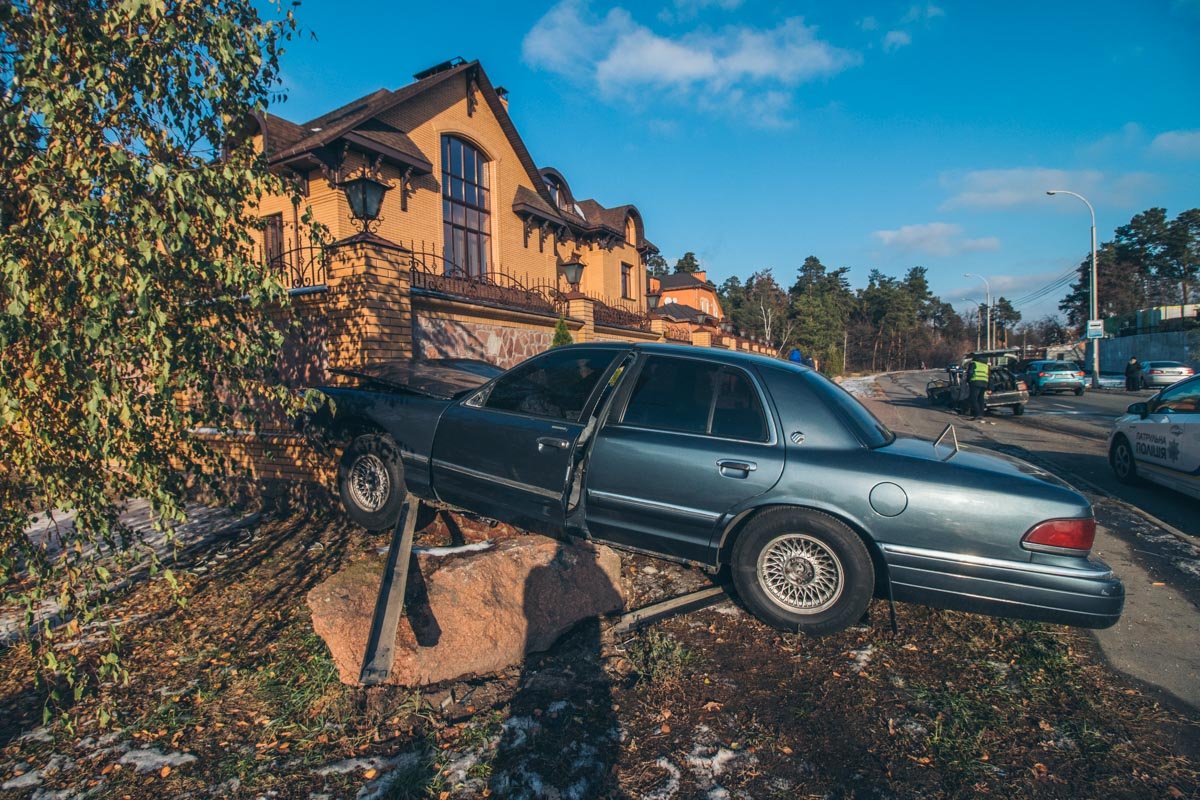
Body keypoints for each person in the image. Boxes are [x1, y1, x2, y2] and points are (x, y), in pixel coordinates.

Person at [966, 353, 990, 420]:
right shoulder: (986, 365)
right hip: (984, 383)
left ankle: (977, 414)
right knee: (981, 398)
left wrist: (968, 380)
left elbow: (970, 372)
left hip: (975, 382)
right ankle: (981, 414)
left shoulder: (973, 363)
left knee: (973, 398)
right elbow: (989, 375)